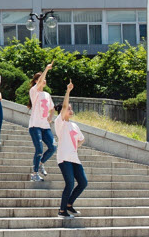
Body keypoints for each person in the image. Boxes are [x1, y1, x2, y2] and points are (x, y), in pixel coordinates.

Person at [55, 80, 87, 218]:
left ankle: (69, 204)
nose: (70, 109)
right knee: (69, 183)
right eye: (68, 108)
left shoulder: (74, 125)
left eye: (70, 107)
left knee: (83, 182)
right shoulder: (59, 122)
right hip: (64, 157)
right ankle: (62, 210)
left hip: (74, 158)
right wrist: (68, 91)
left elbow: (82, 139)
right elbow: (63, 107)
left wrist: (76, 146)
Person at [28, 61, 56, 182]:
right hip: (35, 126)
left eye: (45, 79)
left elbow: (52, 108)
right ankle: (34, 173)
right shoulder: (34, 92)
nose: (44, 81)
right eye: (41, 79)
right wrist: (46, 69)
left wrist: (51, 117)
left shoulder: (47, 94)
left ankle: (40, 163)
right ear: (36, 81)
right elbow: (39, 82)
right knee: (39, 149)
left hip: (45, 126)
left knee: (53, 147)